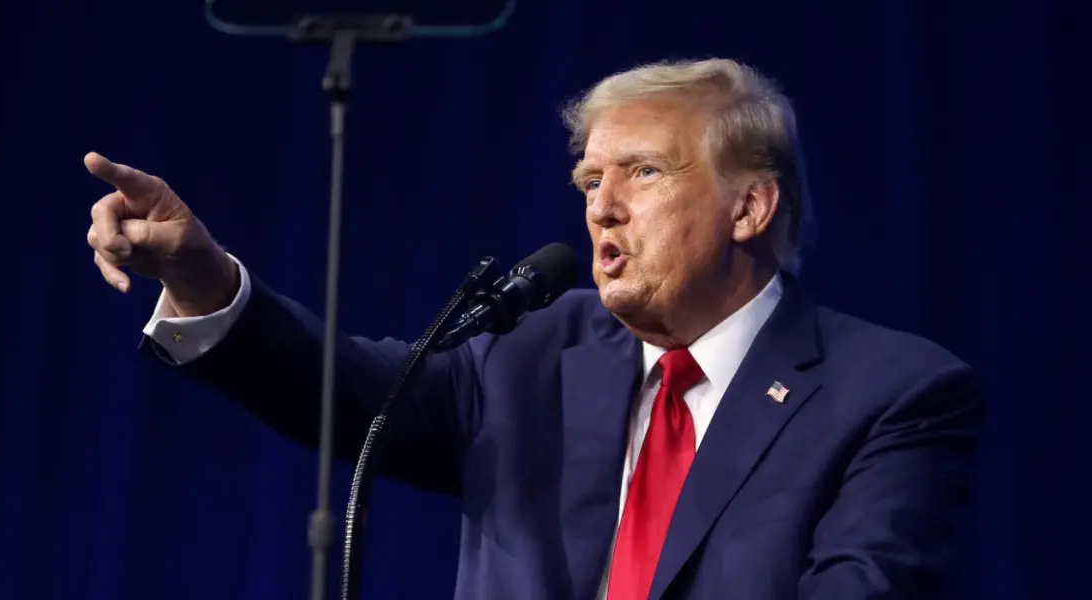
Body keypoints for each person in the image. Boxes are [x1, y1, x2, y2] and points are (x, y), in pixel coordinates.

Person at [85, 58, 985, 600]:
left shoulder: (892, 393)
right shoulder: (533, 349)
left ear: (749, 207)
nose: (605, 209)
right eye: (591, 182)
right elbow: (343, 390)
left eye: (643, 173)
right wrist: (202, 275)